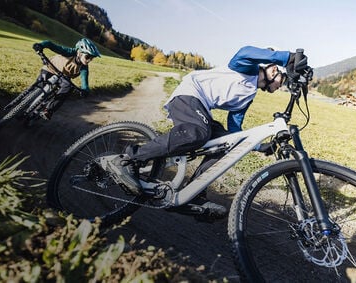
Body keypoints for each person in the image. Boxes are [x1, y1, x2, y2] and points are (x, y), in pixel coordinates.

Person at [107, 46, 308, 219]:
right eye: (282, 79)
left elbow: (235, 131)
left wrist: (259, 146)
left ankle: (193, 193)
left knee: (226, 143)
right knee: (197, 132)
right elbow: (244, 52)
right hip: (190, 94)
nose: (282, 85)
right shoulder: (246, 68)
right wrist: (288, 57)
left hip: (201, 107)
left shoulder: (248, 97)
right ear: (273, 69)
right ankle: (127, 160)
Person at [30, 38, 101, 120]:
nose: (89, 60)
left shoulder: (84, 67)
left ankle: (48, 110)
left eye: (92, 58)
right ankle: (25, 100)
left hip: (63, 78)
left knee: (68, 87)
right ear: (79, 52)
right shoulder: (69, 52)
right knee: (39, 85)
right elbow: (50, 44)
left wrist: (85, 90)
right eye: (88, 57)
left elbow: (84, 81)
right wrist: (41, 45)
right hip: (50, 69)